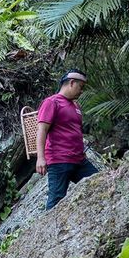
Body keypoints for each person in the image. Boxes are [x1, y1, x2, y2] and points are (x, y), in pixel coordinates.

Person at [36, 69, 98, 210]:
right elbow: (42, 130)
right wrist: (40, 158)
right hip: (59, 160)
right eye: (80, 87)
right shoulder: (51, 102)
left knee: (100, 182)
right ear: (71, 83)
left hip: (79, 160)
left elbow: (74, 130)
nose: (81, 91)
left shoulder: (76, 106)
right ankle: (45, 231)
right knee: (56, 200)